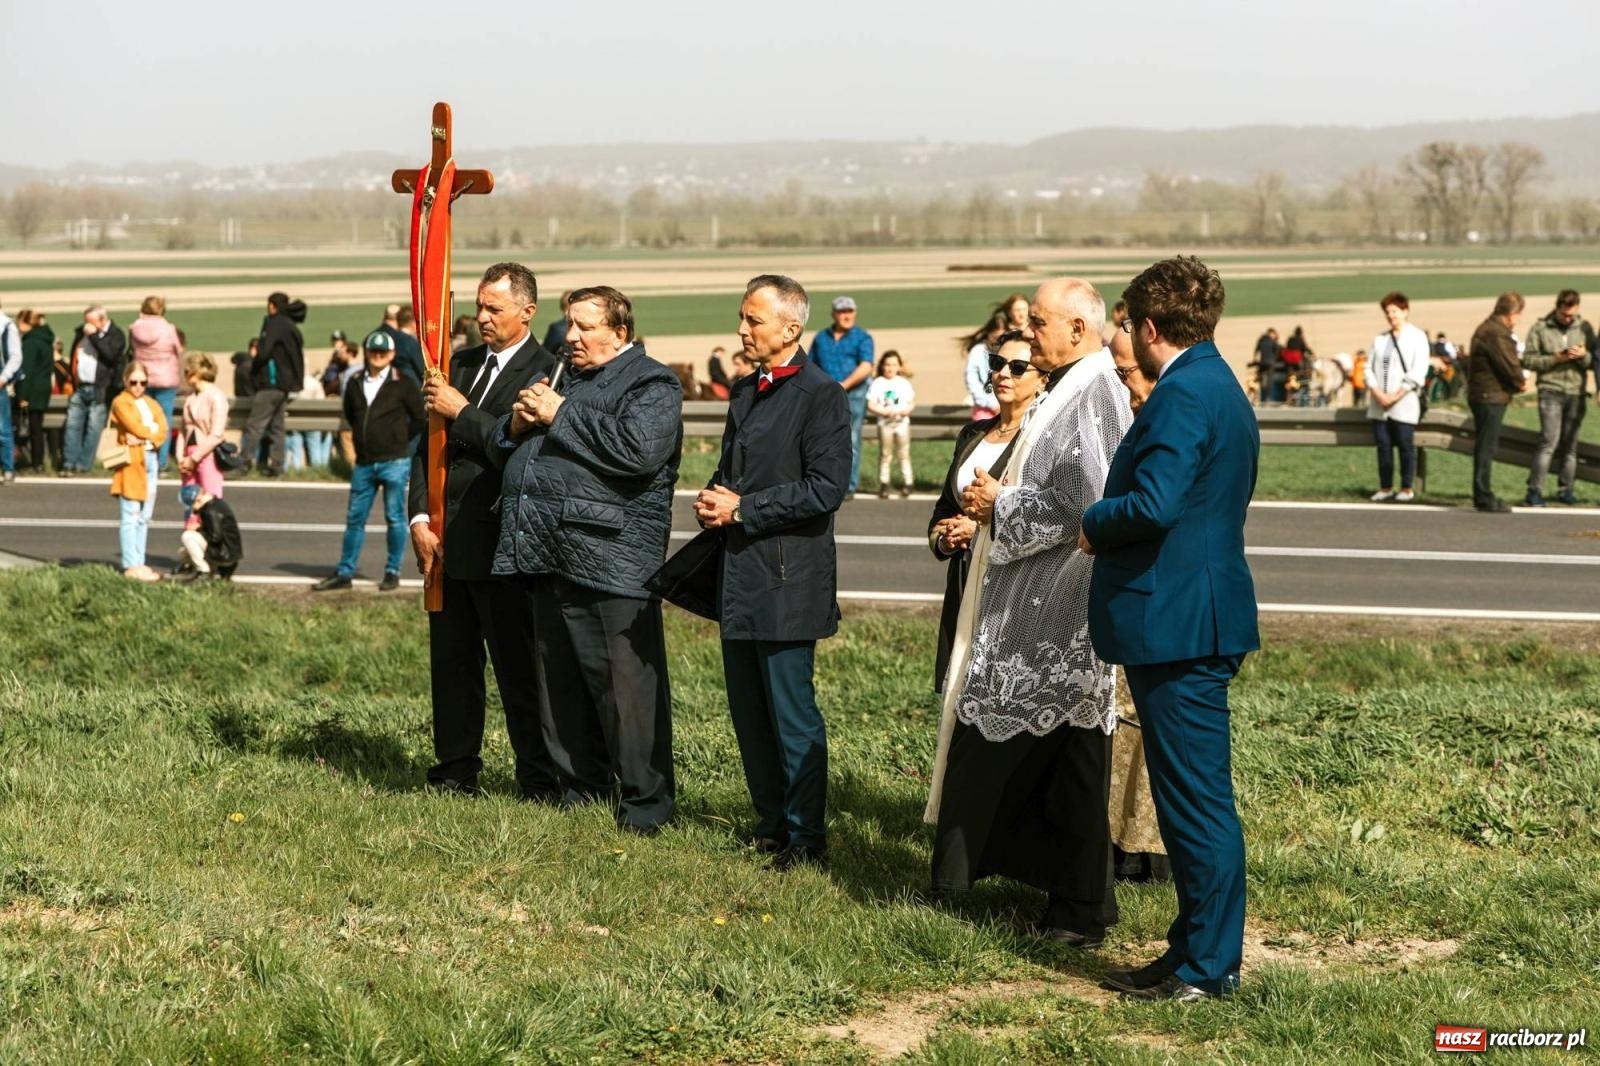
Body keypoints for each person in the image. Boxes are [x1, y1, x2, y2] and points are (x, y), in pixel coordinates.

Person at [925, 277, 1132, 947]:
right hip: (1032, 602)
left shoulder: (1096, 389)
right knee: (1038, 753)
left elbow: (1091, 501)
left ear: (1077, 327)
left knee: (1071, 760)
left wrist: (1000, 507)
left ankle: (1080, 909)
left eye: (1038, 322)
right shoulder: (1070, 382)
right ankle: (1045, 895)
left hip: (1063, 608)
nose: (1027, 329)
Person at [1080, 255, 1259, 1003]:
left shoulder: (1185, 395)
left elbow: (1152, 505)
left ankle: (1207, 968)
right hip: (1189, 616)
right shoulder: (1213, 380)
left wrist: (1092, 522)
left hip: (1180, 623)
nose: (1124, 334)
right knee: (1190, 801)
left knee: (1195, 804)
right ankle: (1191, 948)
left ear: (1150, 327)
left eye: (1126, 323)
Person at [492, 284, 682, 833]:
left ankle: (646, 807)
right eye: (568, 325)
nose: (570, 337)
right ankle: (581, 793)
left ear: (619, 332)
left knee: (624, 690)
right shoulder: (563, 376)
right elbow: (526, 447)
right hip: (550, 552)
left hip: (612, 558)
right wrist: (519, 425)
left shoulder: (651, 381)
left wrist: (560, 413)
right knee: (561, 687)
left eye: (584, 326)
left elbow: (638, 450)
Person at [687, 274, 851, 869]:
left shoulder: (821, 394)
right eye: (742, 317)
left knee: (789, 711)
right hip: (740, 575)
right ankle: (772, 823)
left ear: (790, 328)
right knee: (749, 710)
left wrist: (744, 509)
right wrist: (714, 498)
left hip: (789, 580)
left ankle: (807, 838)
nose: (741, 329)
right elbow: (736, 472)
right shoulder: (745, 390)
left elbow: (827, 488)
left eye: (753, 320)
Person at [409, 261, 562, 800]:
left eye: (494, 308)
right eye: (478, 306)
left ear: (527, 311)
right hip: (446, 546)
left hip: (504, 547)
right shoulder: (459, 363)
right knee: (451, 668)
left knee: (520, 673)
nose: (482, 318)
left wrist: (463, 410)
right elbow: (424, 447)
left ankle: (538, 779)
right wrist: (419, 518)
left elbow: (516, 448)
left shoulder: (547, 372)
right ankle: (454, 771)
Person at [926, 330, 1037, 694]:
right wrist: (945, 537)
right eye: (997, 364)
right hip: (962, 584)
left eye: (1018, 367)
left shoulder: (1041, 438)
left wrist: (981, 530)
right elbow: (944, 508)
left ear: (1042, 377)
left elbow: (1049, 515)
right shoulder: (972, 433)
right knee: (960, 695)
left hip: (1011, 591)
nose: (1004, 373)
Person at [312, 331, 424, 592]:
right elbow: (351, 414)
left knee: (395, 518)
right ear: (367, 352)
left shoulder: (403, 382)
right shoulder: (354, 382)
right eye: (373, 351)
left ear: (392, 355)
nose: (378, 356)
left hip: (395, 461)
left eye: (383, 353)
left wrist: (401, 443)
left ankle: (392, 571)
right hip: (364, 463)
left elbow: (419, 418)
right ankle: (345, 572)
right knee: (354, 520)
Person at [1521, 289, 1594, 506]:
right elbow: (1529, 360)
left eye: (1572, 315)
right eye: (1565, 315)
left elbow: (1594, 361)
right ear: (1557, 308)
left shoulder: (1584, 328)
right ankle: (1534, 490)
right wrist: (1556, 358)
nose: (1568, 319)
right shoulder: (1540, 328)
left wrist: (1583, 356)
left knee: (1570, 445)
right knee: (1548, 442)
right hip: (1550, 390)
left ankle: (1566, 489)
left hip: (1575, 391)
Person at [1468, 292, 1529, 514]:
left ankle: (1482, 493)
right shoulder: (1496, 333)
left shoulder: (1488, 328)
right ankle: (1483, 496)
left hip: (1484, 395)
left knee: (1485, 446)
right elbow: (1508, 363)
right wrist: (1520, 381)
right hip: (1489, 396)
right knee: (1486, 447)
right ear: (1511, 313)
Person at [1365, 292, 1429, 503]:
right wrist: (1378, 393)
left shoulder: (1417, 337)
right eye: (1388, 312)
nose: (1391, 316)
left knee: (1405, 446)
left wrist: (1395, 395)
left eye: (1395, 311)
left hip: (1404, 404)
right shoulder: (1380, 339)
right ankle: (1385, 487)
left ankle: (1406, 487)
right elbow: (1368, 368)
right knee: (1383, 446)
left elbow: (1418, 371)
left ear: (1405, 311)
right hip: (1379, 404)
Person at [109, 363, 169, 582]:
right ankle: (130, 564)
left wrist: (148, 438)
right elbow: (135, 427)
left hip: (150, 458)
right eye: (133, 382)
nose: (138, 387)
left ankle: (139, 561)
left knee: (145, 516)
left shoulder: (151, 403)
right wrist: (149, 433)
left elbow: (163, 429)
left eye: (143, 383)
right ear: (125, 380)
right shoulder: (120, 402)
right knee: (130, 514)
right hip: (131, 462)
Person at [810, 295, 874, 496]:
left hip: (853, 395)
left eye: (849, 311)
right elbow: (811, 365)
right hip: (825, 396)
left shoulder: (862, 337)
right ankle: (824, 481)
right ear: (834, 314)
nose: (846, 315)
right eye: (842, 311)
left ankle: (848, 486)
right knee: (822, 439)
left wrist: (843, 385)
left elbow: (866, 366)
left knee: (851, 440)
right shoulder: (821, 337)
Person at [241, 291, 306, 477]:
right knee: (278, 428)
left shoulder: (274, 324)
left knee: (255, 425)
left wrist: (255, 367)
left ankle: (243, 464)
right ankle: (277, 466)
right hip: (285, 386)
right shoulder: (291, 326)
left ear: (272, 306)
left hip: (270, 384)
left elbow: (265, 352)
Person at [176, 351, 230, 557]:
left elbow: (216, 434)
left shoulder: (216, 397)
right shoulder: (191, 399)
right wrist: (181, 457)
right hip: (189, 456)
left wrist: (194, 457)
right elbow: (183, 430)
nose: (185, 374)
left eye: (188, 370)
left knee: (209, 503)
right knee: (190, 506)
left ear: (196, 373)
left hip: (206, 455)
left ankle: (213, 553)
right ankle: (191, 554)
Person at [62, 306, 126, 476]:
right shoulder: (81, 333)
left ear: (102, 320)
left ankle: (83, 465)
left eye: (90, 322)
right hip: (80, 386)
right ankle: (68, 463)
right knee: (72, 425)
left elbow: (110, 355)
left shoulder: (116, 334)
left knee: (93, 428)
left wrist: (94, 336)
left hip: (101, 389)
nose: (86, 326)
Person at [128, 295, 184, 466]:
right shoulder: (168, 329)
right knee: (163, 421)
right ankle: (161, 461)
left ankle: (144, 459)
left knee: (143, 419)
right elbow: (178, 350)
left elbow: (131, 349)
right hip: (166, 379)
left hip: (142, 378)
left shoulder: (134, 328)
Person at [866, 350, 915, 498]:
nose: (890, 368)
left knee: (903, 453)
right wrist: (884, 412)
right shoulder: (877, 383)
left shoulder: (903, 383)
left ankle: (908, 482)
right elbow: (870, 404)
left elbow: (911, 403)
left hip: (901, 423)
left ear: (899, 366)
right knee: (885, 454)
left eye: (893, 365)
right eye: (887, 364)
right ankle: (884, 483)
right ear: (882, 366)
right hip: (885, 423)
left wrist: (905, 410)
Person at [16, 310, 58, 472]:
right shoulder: (45, 339)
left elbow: (27, 371)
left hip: (32, 389)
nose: (18, 326)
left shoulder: (31, 343)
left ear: (28, 323)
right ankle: (38, 462)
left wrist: (22, 396)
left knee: (34, 429)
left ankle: (35, 462)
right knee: (37, 427)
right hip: (43, 387)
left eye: (20, 322)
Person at [174, 490, 242, 582]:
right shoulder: (217, 503)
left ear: (198, 501)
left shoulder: (209, 511)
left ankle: (203, 571)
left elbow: (215, 537)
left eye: (191, 505)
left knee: (188, 536)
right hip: (230, 553)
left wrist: (197, 529)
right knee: (183, 552)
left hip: (223, 554)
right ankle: (195, 568)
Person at [379, 303, 426, 386]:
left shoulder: (391, 339)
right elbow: (421, 369)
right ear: (413, 323)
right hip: (411, 386)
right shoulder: (411, 343)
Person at [0, 301, 21, 484]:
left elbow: (16, 356)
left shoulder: (6, 326)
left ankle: (8, 468)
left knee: (2, 428)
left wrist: (4, 377)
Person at [1252, 328, 1281, 404]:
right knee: (1270, 381)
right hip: (1270, 363)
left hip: (1262, 363)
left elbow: (1256, 351)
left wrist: (1255, 360)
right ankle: (1268, 397)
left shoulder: (1261, 340)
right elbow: (1277, 349)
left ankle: (1261, 397)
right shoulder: (1272, 341)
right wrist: (1274, 359)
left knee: (1262, 380)